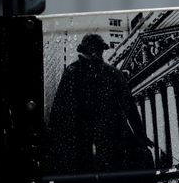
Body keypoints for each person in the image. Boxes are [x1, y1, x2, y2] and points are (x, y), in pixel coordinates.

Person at [47, 33, 154, 175]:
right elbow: (59, 109)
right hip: (81, 136)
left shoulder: (113, 73)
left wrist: (141, 136)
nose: (97, 53)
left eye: (99, 49)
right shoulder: (72, 73)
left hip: (111, 134)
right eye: (93, 49)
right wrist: (55, 138)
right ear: (84, 50)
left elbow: (130, 107)